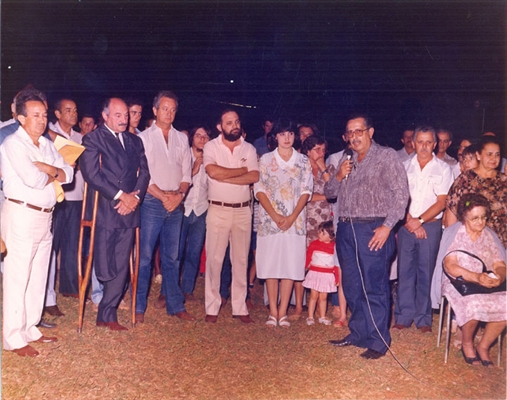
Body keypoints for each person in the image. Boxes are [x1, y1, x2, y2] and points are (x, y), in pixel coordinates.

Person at [325, 112, 409, 359]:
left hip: (374, 229)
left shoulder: (386, 156)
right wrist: (339, 176)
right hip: (346, 229)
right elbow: (329, 192)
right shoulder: (345, 158)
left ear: (370, 132)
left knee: (375, 286)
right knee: (352, 285)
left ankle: (378, 340)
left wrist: (387, 227)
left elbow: (401, 195)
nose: (353, 137)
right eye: (349, 133)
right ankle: (358, 333)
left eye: (358, 131)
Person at [1, 88, 73, 356]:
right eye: (35, 115)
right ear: (20, 117)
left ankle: (30, 327)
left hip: (46, 215)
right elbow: (32, 179)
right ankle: (13, 337)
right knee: (18, 276)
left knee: (39, 275)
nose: (42, 120)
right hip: (21, 213)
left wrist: (48, 168)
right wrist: (52, 170)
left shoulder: (46, 145)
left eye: (44, 115)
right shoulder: (12, 144)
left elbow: (68, 175)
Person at [80, 97, 150, 331]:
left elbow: (144, 173)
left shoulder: (134, 141)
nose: (123, 119)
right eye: (118, 115)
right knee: (105, 264)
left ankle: (107, 314)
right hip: (106, 208)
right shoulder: (93, 138)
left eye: (126, 115)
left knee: (121, 263)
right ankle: (104, 305)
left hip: (129, 209)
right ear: (106, 116)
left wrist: (135, 198)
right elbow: (92, 174)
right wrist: (122, 196)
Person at [136, 91, 194, 322]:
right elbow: (142, 174)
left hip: (176, 202)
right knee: (145, 257)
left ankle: (175, 305)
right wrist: (162, 197)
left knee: (172, 257)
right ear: (155, 110)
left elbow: (187, 173)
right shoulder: (143, 138)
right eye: (164, 108)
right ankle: (138, 307)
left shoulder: (182, 138)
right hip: (152, 202)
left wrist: (179, 196)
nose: (168, 113)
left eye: (172, 109)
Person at [432, 194, 506, 367]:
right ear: (464, 217)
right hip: (458, 282)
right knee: (473, 304)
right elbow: (450, 265)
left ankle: (484, 346)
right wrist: (476, 277)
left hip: (484, 282)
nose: (480, 222)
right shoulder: (455, 233)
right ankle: (467, 344)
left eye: (483, 217)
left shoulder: (489, 235)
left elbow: (499, 263)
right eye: (475, 218)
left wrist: (500, 277)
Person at [393, 126, 452, 333]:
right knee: (404, 271)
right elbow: (398, 198)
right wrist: (410, 220)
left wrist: (419, 221)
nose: (424, 146)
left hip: (430, 225)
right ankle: (403, 315)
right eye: (420, 142)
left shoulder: (443, 169)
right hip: (406, 223)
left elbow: (442, 202)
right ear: (413, 143)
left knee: (426, 271)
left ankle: (423, 318)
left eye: (429, 142)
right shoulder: (403, 165)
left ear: (435, 144)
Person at [254, 119, 312, 328]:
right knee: (271, 265)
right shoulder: (265, 160)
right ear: (275, 137)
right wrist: (275, 215)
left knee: (289, 265)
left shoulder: (303, 161)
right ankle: (272, 312)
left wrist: (292, 216)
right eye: (282, 134)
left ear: (294, 137)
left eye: (290, 134)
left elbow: (306, 191)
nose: (286, 138)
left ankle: (283, 312)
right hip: (270, 222)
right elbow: (258, 189)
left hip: (294, 222)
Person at [203, 109, 259, 324]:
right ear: (220, 127)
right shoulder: (211, 146)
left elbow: (254, 176)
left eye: (236, 121)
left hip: (243, 210)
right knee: (214, 260)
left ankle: (240, 307)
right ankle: (212, 306)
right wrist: (241, 170)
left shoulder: (249, 148)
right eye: (229, 122)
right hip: (218, 209)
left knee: (241, 260)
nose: (234, 125)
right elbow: (213, 173)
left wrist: (227, 175)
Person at [48, 98, 84, 299]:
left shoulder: (80, 137)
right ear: (58, 114)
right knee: (52, 244)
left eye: (75, 109)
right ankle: (47, 291)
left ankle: (70, 287)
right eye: (68, 110)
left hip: (77, 196)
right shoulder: (48, 134)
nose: (73, 113)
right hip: (58, 196)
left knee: (72, 243)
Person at [444, 137, 507, 248]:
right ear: (478, 155)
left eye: (497, 154)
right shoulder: (465, 179)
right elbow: (452, 211)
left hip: (500, 245)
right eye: (489, 154)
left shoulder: (504, 181)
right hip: (470, 244)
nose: (494, 158)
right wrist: (451, 242)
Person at [179, 125, 210, 300]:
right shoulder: (184, 156)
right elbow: (175, 182)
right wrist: (193, 171)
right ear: (192, 138)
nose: (202, 139)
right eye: (198, 135)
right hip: (183, 209)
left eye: (205, 136)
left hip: (201, 211)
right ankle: (170, 289)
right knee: (176, 252)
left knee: (194, 252)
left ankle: (187, 289)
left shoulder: (211, 160)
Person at [303, 221, 340, 326]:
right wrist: (305, 267)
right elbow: (308, 256)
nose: (319, 235)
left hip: (327, 275)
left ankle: (322, 316)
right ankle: (310, 317)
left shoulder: (334, 247)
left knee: (323, 297)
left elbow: (336, 265)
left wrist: (337, 278)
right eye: (319, 232)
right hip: (315, 273)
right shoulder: (314, 244)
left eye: (323, 233)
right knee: (314, 296)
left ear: (331, 236)